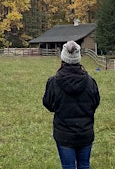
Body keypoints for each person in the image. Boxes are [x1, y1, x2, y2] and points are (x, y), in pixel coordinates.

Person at [42, 40, 101, 169]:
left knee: (68, 166)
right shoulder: (90, 82)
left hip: (64, 134)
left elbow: (48, 104)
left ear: (63, 58)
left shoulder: (53, 82)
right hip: (85, 132)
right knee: (84, 165)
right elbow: (95, 102)